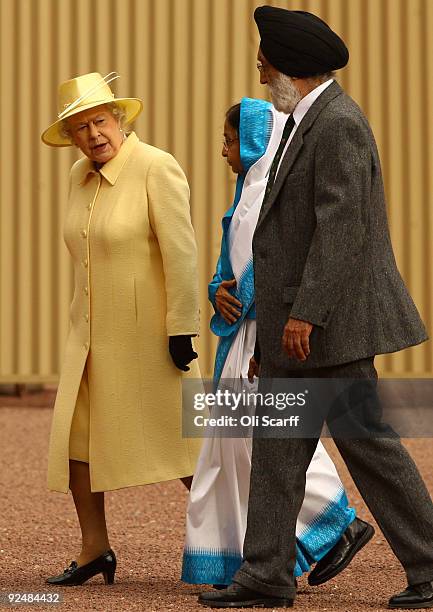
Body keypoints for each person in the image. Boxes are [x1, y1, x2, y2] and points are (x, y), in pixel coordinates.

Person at [199, 7, 433, 610]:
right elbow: (288, 235)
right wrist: (274, 330)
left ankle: (430, 564)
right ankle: (266, 575)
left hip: (328, 328)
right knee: (277, 452)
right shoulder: (302, 121)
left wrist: (307, 315)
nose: (259, 67)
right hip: (295, 327)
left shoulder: (337, 124)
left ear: (293, 65)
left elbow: (341, 230)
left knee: (368, 448)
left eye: (266, 58)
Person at [182, 98, 373, 588]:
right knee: (236, 448)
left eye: (228, 141)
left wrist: (264, 324)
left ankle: (336, 524)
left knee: (267, 441)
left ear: (249, 139)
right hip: (241, 337)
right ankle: (264, 558)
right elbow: (235, 267)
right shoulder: (245, 194)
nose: (223, 152)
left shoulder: (272, 191)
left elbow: (281, 264)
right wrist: (217, 292)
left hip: (265, 337)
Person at [41, 71, 201, 586]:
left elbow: (182, 253)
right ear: (70, 137)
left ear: (120, 119)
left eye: (100, 121)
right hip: (88, 337)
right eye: (80, 128)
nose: (93, 135)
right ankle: (95, 549)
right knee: (76, 440)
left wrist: (183, 327)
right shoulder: (77, 175)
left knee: (186, 449)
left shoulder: (157, 166)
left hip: (149, 338)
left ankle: (244, 545)